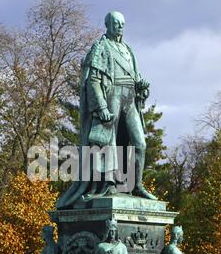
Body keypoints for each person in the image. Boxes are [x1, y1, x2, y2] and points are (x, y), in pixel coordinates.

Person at [57, 11, 156, 209]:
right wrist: (101, 106)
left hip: (129, 97)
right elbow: (93, 81)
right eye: (116, 23)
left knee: (140, 143)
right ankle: (109, 183)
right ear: (108, 25)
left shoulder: (128, 49)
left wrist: (141, 86)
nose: (120, 27)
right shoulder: (101, 47)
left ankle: (136, 185)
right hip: (112, 96)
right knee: (108, 143)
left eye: (122, 23)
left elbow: (135, 77)